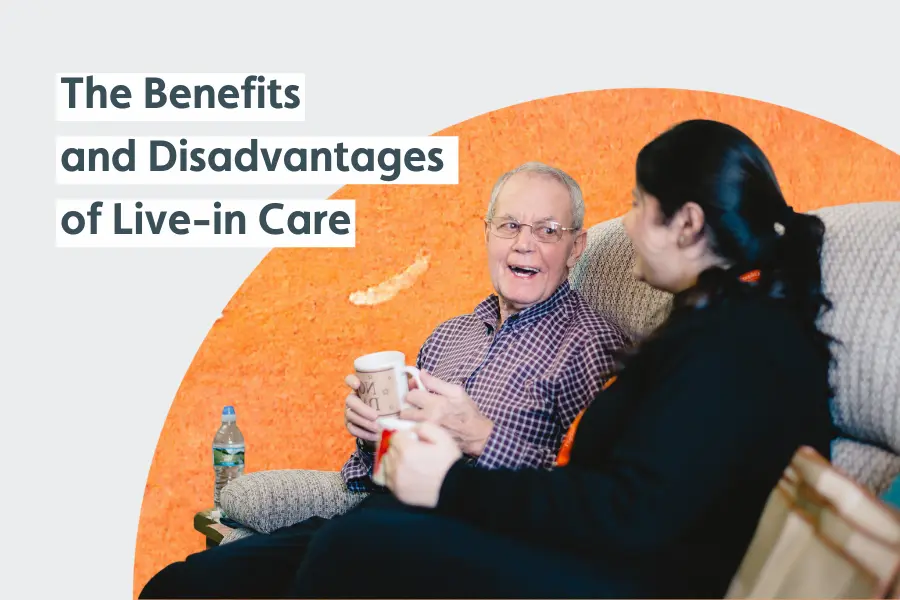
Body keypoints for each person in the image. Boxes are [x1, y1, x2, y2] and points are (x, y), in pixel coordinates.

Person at [284, 119, 838, 599]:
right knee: (275, 558)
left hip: (632, 582)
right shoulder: (719, 328)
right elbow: (629, 494)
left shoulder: (736, 344)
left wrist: (452, 482)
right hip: (602, 561)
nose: (624, 225)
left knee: (351, 546)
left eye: (638, 205)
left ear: (687, 224)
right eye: (509, 226)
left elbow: (628, 514)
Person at [140, 162, 628, 599]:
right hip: (376, 519)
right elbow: (387, 470)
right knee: (180, 585)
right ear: (487, 235)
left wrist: (481, 438)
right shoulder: (450, 336)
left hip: (469, 544)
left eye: (547, 230)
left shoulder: (592, 348)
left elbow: (590, 504)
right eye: (510, 226)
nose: (524, 243)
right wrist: (373, 436)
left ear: (575, 246)